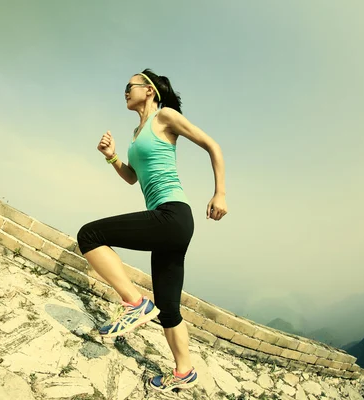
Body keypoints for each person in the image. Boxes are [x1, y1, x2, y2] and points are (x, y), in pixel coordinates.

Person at [76, 69, 227, 393]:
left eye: (129, 86)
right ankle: (184, 373)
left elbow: (212, 145)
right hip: (169, 222)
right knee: (169, 309)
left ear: (149, 90)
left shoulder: (165, 117)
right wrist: (112, 156)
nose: (125, 92)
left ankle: (134, 303)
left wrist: (220, 192)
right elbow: (132, 177)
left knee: (89, 235)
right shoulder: (137, 131)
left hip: (173, 214)